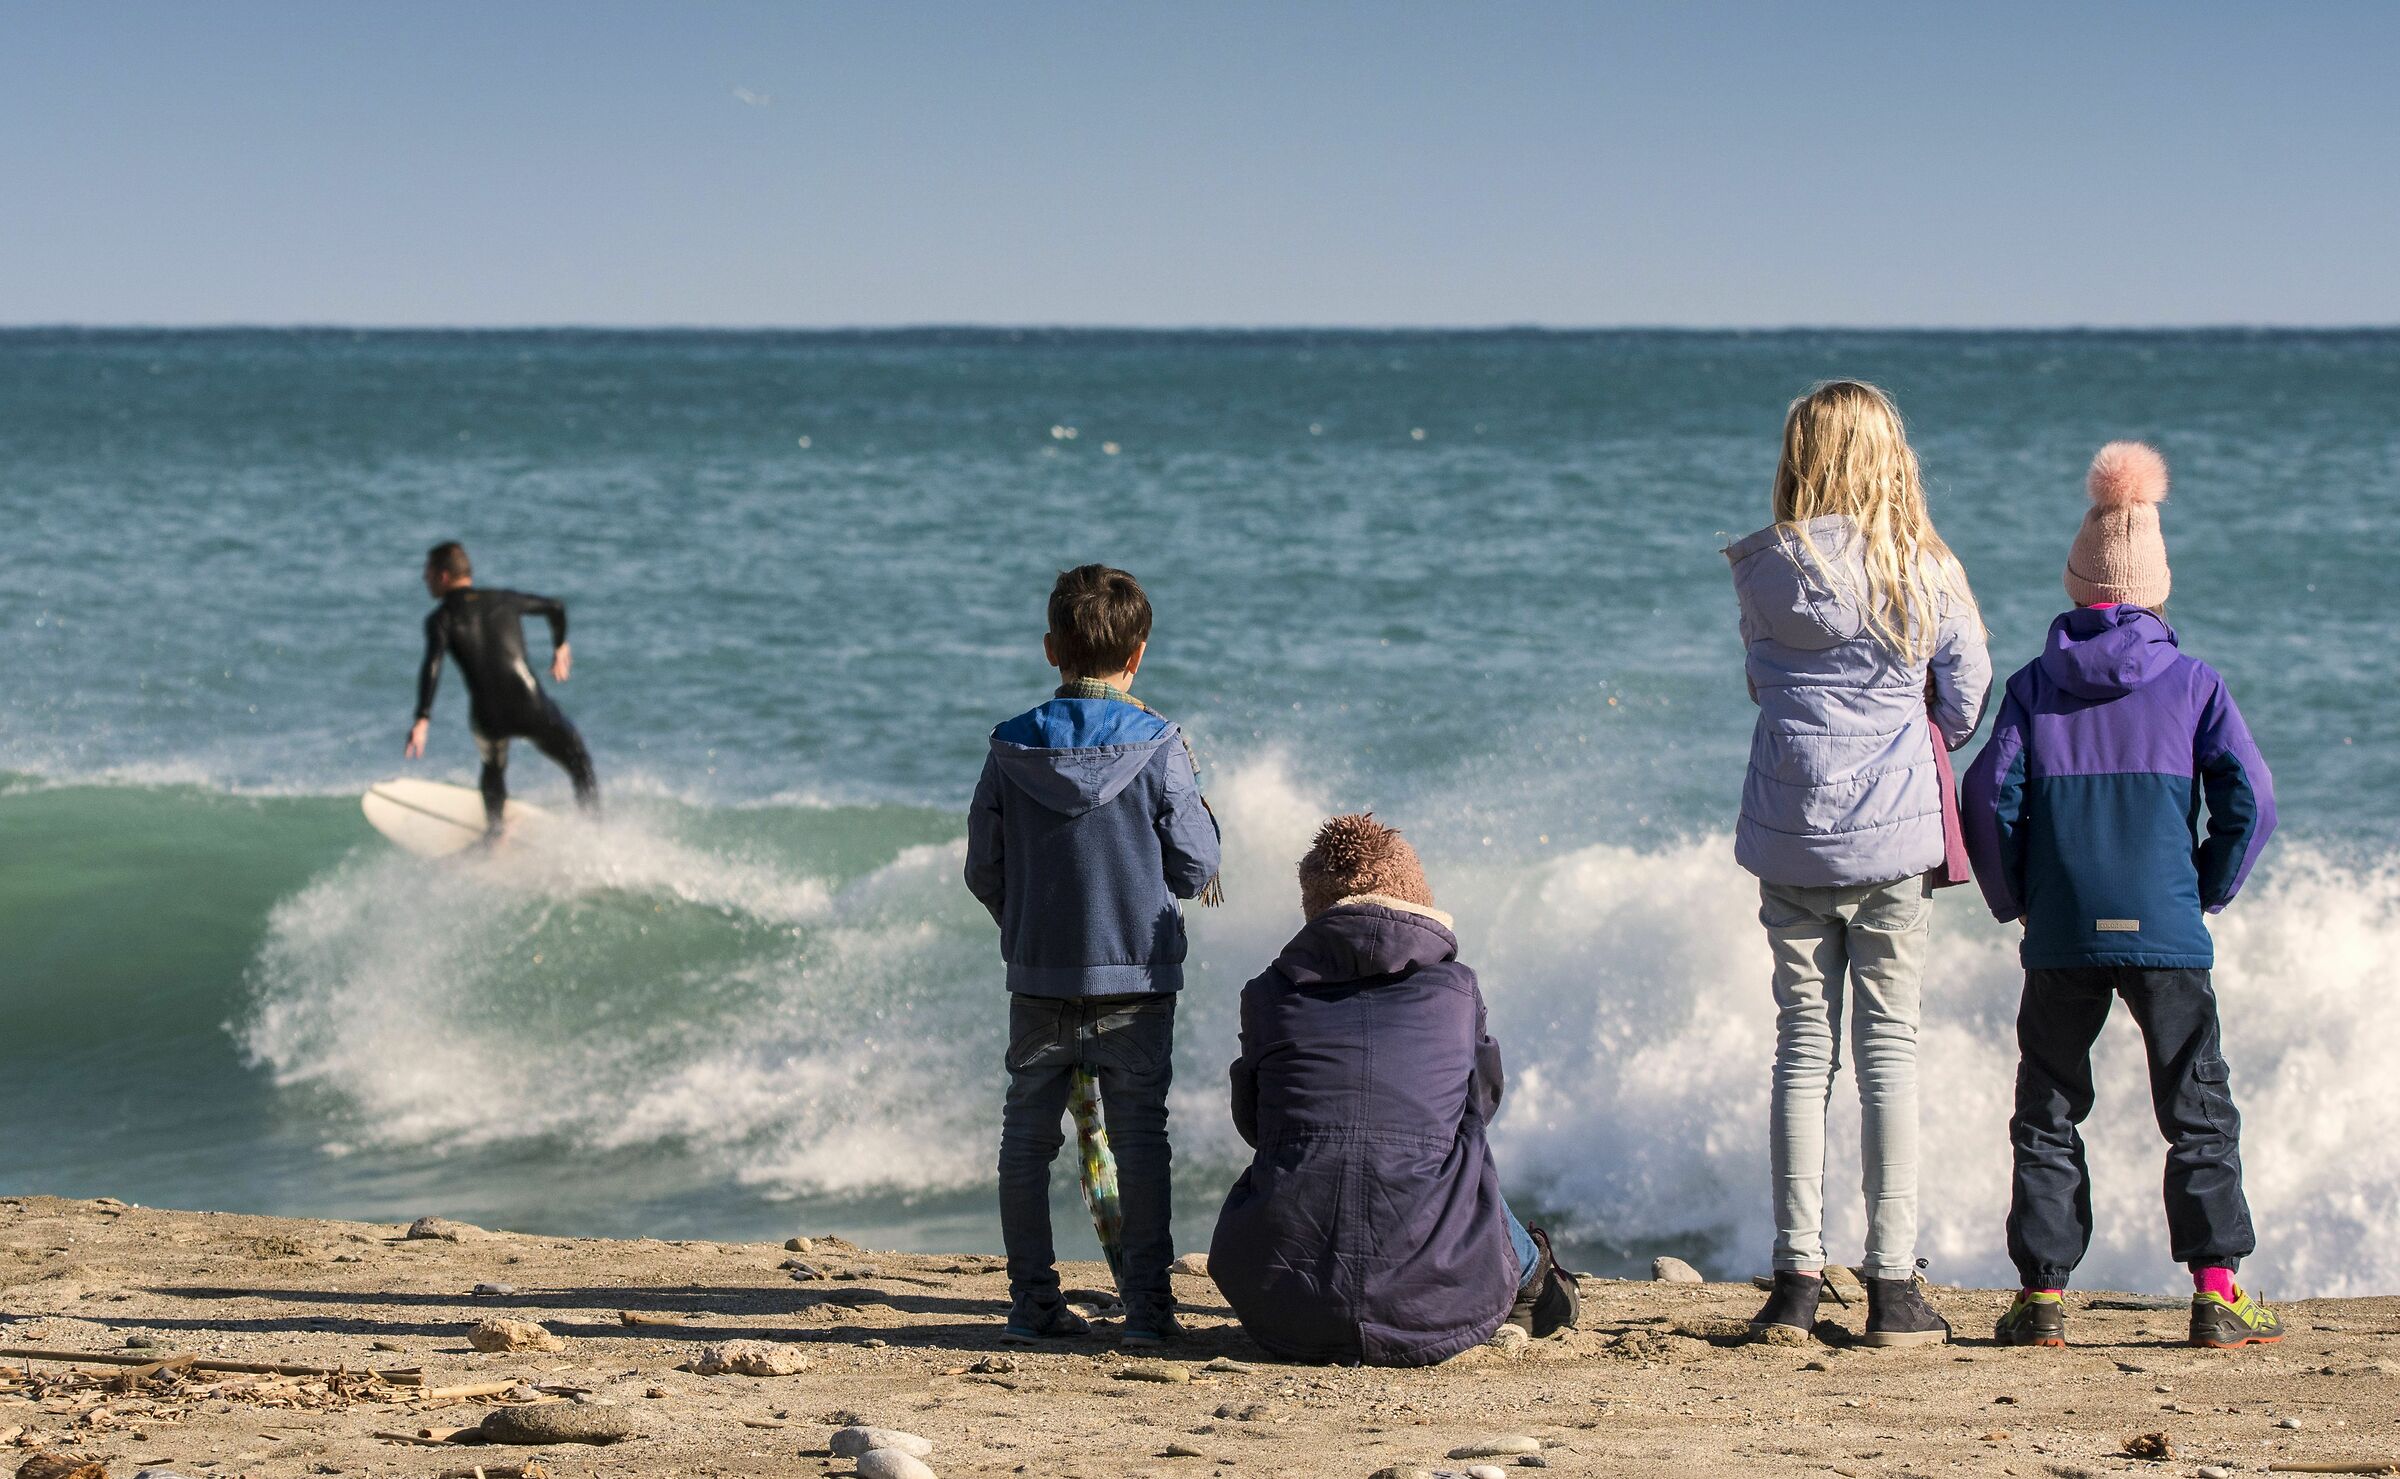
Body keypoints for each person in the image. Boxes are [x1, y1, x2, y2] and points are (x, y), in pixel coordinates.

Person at [1962, 442, 2281, 1350]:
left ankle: (2043, 1301)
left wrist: (2017, 895)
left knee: (2049, 1106)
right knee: (2196, 1103)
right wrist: (2206, 887)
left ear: (2077, 585)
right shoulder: (2193, 683)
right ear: (2158, 588)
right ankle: (2218, 1292)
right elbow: (2252, 799)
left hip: (2063, 929)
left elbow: (1986, 795)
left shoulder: (2031, 686)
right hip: (2169, 930)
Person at [1725, 380, 1991, 1346]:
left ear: (1799, 459)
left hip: (1792, 833)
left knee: (1802, 1050)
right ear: (1892, 459)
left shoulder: (1763, 570)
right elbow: (1965, 695)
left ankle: (1794, 1279)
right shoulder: (1922, 569)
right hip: (1890, 839)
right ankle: (1892, 1287)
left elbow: (1763, 681)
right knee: (1890, 1056)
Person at [1209, 814, 1579, 1366]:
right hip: (1435, 1306)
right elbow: (1481, 1104)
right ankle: (1533, 1280)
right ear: (1415, 894)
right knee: (1461, 1154)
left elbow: (1255, 1123)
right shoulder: (1456, 990)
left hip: (1278, 1309)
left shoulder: (1267, 993)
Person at [963, 564, 1221, 1348]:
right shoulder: (1163, 744)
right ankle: (1148, 1310)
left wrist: (1028, 921)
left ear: (1051, 649)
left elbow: (983, 868)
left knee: (1025, 1141)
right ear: (1137, 654)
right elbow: (1194, 867)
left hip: (1040, 973)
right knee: (1141, 1139)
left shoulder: (1010, 746)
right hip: (1138, 978)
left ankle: (1031, 1304)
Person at [406, 541, 597, 830]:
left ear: (444, 576)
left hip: (488, 716)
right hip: (530, 705)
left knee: (493, 767)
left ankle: (495, 834)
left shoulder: (440, 619)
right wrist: (560, 646)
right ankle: (594, 830)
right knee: (579, 762)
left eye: (428, 573)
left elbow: (432, 665)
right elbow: (555, 607)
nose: (424, 579)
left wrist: (422, 718)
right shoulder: (503, 599)